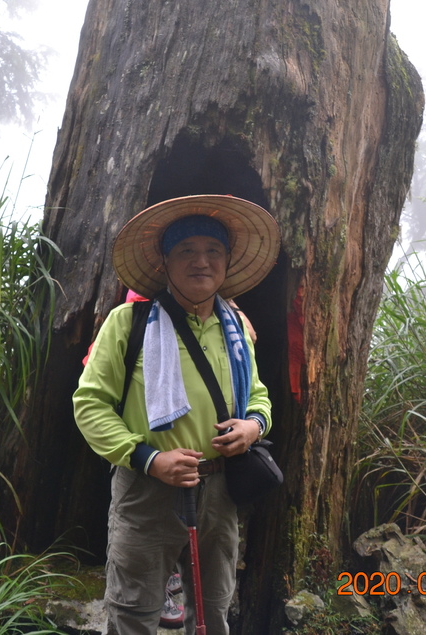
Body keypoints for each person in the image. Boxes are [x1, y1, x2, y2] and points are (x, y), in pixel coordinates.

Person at [74, 194, 279, 635]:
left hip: (220, 490)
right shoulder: (128, 323)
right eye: (186, 250)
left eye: (213, 251)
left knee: (213, 608)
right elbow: (89, 405)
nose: (201, 261)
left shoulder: (236, 329)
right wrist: (150, 458)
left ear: (227, 261)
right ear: (165, 263)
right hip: (146, 491)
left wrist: (253, 425)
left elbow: (258, 395)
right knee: (134, 612)